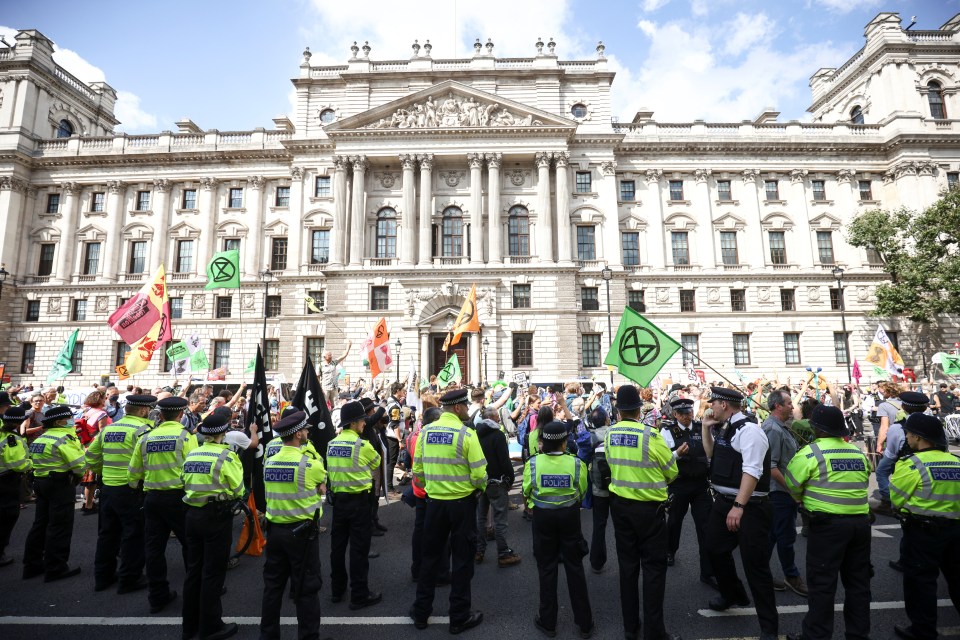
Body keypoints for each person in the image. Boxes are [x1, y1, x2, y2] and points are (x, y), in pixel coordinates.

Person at [783, 405, 871, 640]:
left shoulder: (811, 454)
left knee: (822, 585)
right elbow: (865, 478)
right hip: (860, 526)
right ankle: (858, 635)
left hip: (827, 528)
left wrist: (804, 498)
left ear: (816, 429)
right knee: (858, 585)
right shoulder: (857, 452)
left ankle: (816, 636)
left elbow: (791, 484)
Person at [603, 385, 680, 640]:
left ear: (618, 410)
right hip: (649, 510)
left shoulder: (610, 434)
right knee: (654, 570)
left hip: (621, 508)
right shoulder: (651, 435)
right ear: (639, 409)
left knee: (627, 568)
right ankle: (654, 632)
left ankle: (630, 627)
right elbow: (672, 470)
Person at [702, 386, 778, 640]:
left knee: (755, 567)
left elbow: (753, 471)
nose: (710, 406)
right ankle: (732, 593)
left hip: (749, 507)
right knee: (714, 549)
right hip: (724, 502)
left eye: (713, 402)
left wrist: (739, 506)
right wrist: (705, 428)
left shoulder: (750, 431)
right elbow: (712, 454)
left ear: (724, 404)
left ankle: (769, 627)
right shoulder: (725, 427)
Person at [409, 388, 487, 634]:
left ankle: (421, 612)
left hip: (434, 503)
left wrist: (431, 486)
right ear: (457, 408)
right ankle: (459, 617)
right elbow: (479, 475)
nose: (466, 409)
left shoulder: (425, 432)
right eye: (464, 405)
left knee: (430, 558)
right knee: (462, 561)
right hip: (462, 505)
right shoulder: (467, 434)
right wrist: (479, 488)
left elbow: (417, 470)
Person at [889, 413, 960, 640]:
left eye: (909, 433)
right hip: (956, 531)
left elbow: (896, 500)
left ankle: (923, 631)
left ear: (918, 438)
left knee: (921, 584)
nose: (907, 437)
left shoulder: (911, 465)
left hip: (923, 533)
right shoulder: (957, 462)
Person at [260, 411, 330, 639]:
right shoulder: (308, 464)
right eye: (306, 429)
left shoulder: (269, 462)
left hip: (275, 532)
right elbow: (322, 483)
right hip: (301, 535)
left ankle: (268, 636)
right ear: (298, 434)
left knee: (272, 588)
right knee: (307, 589)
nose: (308, 432)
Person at [128, 396, 198, 613]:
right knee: (190, 545)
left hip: (152, 498)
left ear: (159, 415)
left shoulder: (145, 437)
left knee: (154, 549)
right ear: (181, 415)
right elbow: (194, 468)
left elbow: (133, 474)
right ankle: (195, 591)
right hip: (178, 498)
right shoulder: (186, 437)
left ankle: (157, 595)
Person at [524, 420, 594, 638]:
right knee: (575, 568)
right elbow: (582, 492)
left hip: (543, 519)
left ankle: (548, 622)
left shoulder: (533, 463)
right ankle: (584, 623)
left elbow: (527, 491)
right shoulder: (576, 464)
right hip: (569, 518)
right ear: (565, 443)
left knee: (546, 569)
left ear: (542, 443)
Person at [180, 411, 244, 640]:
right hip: (216, 518)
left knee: (193, 572)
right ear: (223, 433)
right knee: (213, 573)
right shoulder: (227, 456)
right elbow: (238, 489)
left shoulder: (193, 453)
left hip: (191, 515)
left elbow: (182, 480)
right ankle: (211, 626)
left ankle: (189, 626)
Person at [85, 394, 157, 593]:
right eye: (149, 410)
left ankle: (102, 577)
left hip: (108, 488)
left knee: (107, 534)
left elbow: (90, 456)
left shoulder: (109, 428)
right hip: (131, 489)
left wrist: (104, 472)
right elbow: (148, 461)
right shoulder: (144, 430)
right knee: (133, 535)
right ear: (143, 411)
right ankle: (129, 578)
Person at [326, 401, 383, 609]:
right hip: (359, 502)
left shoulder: (332, 443)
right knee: (359, 550)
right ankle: (359, 594)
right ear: (354, 423)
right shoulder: (362, 445)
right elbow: (376, 462)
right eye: (361, 421)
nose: (364, 424)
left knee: (337, 548)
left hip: (339, 503)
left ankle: (337, 590)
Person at [22, 404, 85, 581]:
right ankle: (56, 568)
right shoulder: (64, 438)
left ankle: (32, 565)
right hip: (60, 484)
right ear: (59, 422)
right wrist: (78, 477)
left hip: (41, 482)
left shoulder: (41, 438)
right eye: (68, 418)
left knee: (40, 524)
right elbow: (79, 465)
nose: (71, 421)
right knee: (60, 526)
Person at [661, 397, 717, 590]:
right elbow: (662, 458)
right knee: (674, 521)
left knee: (705, 526)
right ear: (675, 414)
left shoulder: (702, 427)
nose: (687, 416)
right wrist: (676, 453)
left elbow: (712, 451)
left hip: (700, 485)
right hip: (679, 484)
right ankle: (669, 550)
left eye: (689, 413)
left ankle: (708, 571)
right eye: (682, 414)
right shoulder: (667, 431)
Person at [760, 390, 807, 596]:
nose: (792, 406)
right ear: (778, 406)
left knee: (773, 535)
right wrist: (792, 489)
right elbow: (770, 467)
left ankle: (761, 573)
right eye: (788, 403)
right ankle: (791, 576)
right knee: (785, 536)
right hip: (780, 493)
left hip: (782, 492)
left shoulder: (781, 427)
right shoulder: (773, 429)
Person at [475, 406, 520, 567]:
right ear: (493, 418)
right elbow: (504, 460)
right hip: (497, 481)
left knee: (481, 517)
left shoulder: (475, 434)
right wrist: (510, 478)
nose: (499, 420)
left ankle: (479, 550)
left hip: (480, 481)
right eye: (497, 418)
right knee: (500, 518)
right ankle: (503, 552)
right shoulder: (497, 435)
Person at [874, 391, 928, 518]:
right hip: (931, 462)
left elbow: (892, 453)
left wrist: (880, 446)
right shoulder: (936, 425)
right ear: (925, 408)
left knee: (881, 471)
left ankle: (889, 501)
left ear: (903, 407)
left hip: (907, 462)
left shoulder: (898, 428)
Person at [0, 404, 32, 566]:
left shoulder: (3, 435)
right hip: (7, 481)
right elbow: (18, 464)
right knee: (8, 516)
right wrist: (31, 463)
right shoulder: (12, 439)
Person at [385, 382, 406, 494]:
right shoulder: (395, 405)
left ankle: (388, 486)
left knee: (391, 462)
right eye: (402, 390)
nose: (404, 391)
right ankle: (389, 488)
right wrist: (399, 440)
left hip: (391, 436)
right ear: (397, 391)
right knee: (391, 462)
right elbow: (395, 424)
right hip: (393, 437)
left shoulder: (393, 401)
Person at [319, 342, 352, 407]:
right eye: (329, 355)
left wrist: (348, 347)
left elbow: (343, 356)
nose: (331, 356)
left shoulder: (334, 362)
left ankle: (334, 416)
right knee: (323, 405)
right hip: (325, 388)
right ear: (325, 357)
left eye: (331, 355)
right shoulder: (320, 365)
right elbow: (317, 378)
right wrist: (320, 388)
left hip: (334, 387)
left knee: (335, 405)